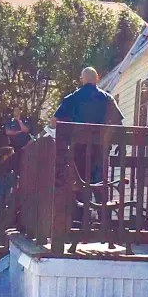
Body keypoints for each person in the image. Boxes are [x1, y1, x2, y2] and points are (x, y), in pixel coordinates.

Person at [52, 67, 124, 222]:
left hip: (78, 149)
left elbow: (56, 120)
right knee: (100, 184)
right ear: (97, 77)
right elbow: (118, 122)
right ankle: (103, 224)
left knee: (79, 185)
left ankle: (80, 222)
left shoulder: (73, 98)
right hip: (101, 150)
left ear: (82, 79)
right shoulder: (107, 98)